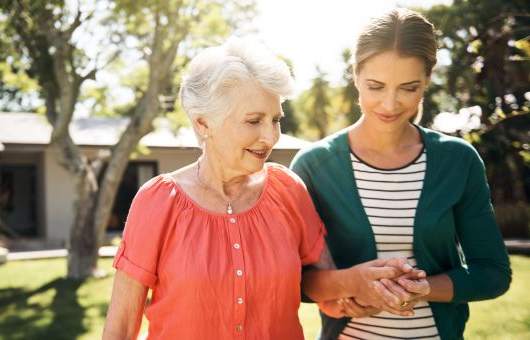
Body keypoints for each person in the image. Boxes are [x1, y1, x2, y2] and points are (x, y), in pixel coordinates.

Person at [102, 37, 422, 340]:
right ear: (203, 124)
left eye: (275, 120)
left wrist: (363, 289)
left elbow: (325, 290)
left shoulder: (288, 189)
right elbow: (120, 328)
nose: (269, 137)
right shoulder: (158, 202)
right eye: (254, 120)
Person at [290, 8, 512, 340]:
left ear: (427, 81)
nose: (390, 104)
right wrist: (354, 282)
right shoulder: (314, 165)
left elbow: (492, 273)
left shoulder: (458, 160)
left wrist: (421, 288)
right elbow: (294, 280)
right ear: (355, 76)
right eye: (375, 86)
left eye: (408, 88)